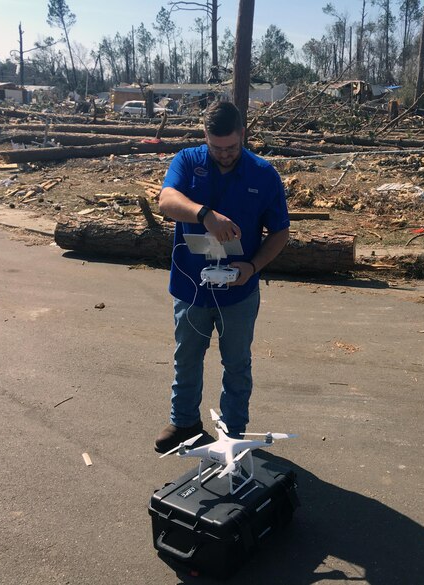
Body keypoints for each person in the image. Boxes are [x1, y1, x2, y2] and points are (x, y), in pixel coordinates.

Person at [154, 100, 290, 454]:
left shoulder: (263, 174)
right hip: (191, 288)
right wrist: (204, 215)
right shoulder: (188, 161)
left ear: (243, 134)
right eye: (217, 147)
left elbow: (280, 233)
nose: (225, 154)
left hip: (238, 291)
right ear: (205, 138)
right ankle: (183, 422)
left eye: (232, 147)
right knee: (186, 357)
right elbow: (166, 199)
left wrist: (252, 267)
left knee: (237, 364)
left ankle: (232, 434)